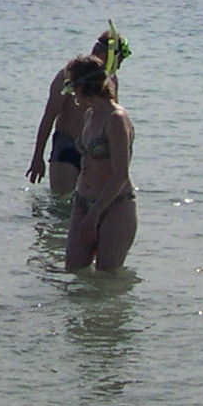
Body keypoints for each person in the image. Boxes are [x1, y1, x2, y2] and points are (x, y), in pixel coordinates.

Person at [28, 29, 124, 194]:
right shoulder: (70, 76)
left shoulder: (111, 80)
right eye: (120, 59)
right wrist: (37, 157)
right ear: (108, 54)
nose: (121, 64)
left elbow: (112, 120)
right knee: (62, 200)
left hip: (96, 148)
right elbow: (49, 116)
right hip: (68, 144)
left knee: (91, 201)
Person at [63, 55, 136, 272]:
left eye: (71, 86)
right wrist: (86, 210)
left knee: (106, 276)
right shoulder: (89, 115)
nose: (71, 92)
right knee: (73, 271)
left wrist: (95, 213)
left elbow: (120, 173)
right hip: (83, 202)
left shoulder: (116, 119)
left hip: (115, 205)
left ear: (83, 85)